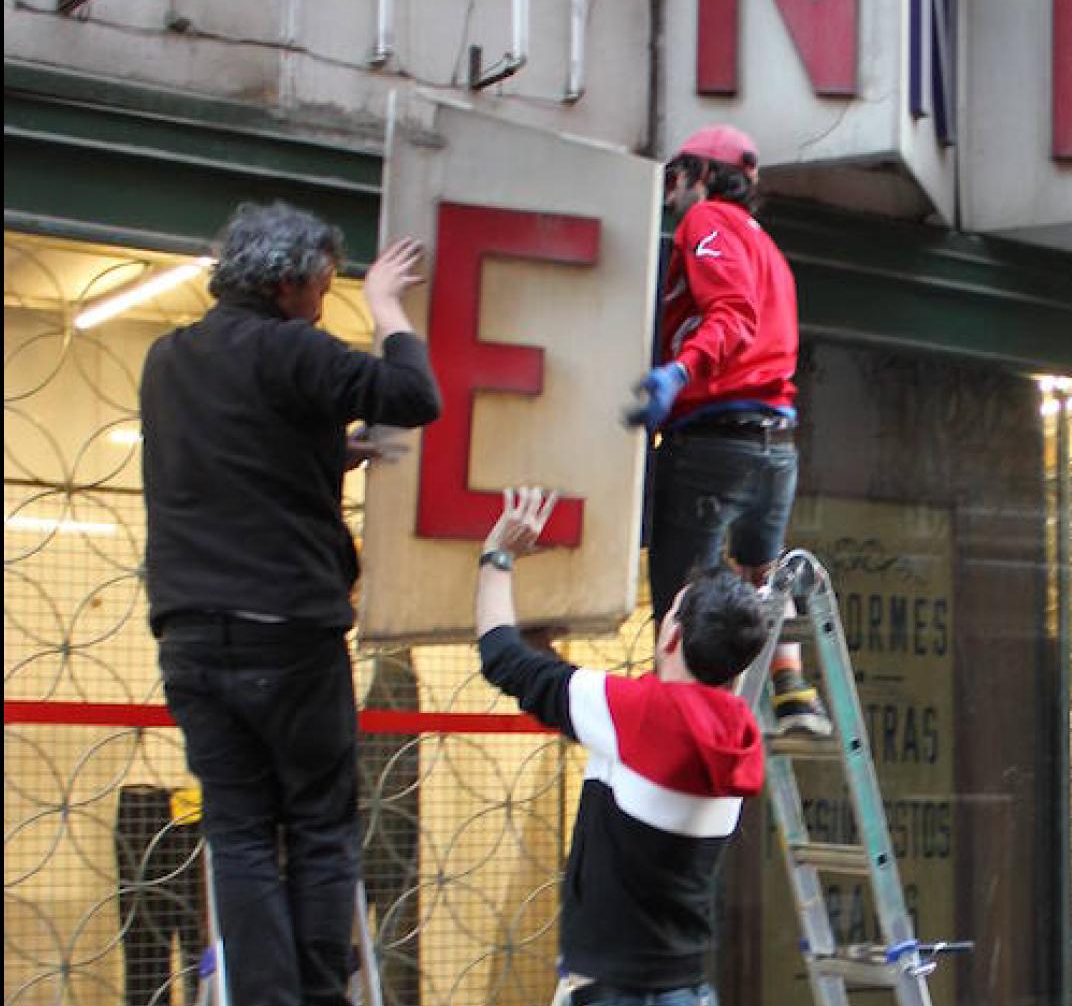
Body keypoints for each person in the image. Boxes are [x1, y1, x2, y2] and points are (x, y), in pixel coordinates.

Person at [142, 202, 441, 1006]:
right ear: (285, 283)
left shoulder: (169, 358)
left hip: (191, 634)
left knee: (237, 831)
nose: (325, 296)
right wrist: (386, 303)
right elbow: (415, 394)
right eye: (322, 282)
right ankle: (318, 992)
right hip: (290, 630)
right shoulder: (295, 351)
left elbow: (228, 464)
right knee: (318, 822)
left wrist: (321, 452)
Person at [474, 487, 767, 1006]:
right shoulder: (738, 733)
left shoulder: (636, 714)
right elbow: (627, 741)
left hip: (613, 993)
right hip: (686, 990)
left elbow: (501, 658)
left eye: (670, 612)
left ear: (671, 639)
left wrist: (498, 555)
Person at [625, 124, 829, 737]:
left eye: (674, 180)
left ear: (701, 176)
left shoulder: (704, 223)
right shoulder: (769, 248)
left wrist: (677, 373)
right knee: (757, 577)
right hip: (776, 448)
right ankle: (791, 690)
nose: (669, 198)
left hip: (713, 443)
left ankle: (685, 736)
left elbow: (732, 313)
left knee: (684, 607)